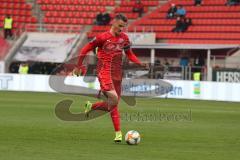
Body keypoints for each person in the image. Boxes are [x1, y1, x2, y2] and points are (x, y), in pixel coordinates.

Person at [73, 14, 147, 143]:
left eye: (123, 27)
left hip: (118, 74)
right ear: (113, 23)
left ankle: (92, 106)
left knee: (113, 104)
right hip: (104, 72)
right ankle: (118, 133)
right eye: (119, 26)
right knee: (113, 98)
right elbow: (85, 48)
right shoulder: (102, 38)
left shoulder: (124, 38)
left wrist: (140, 63)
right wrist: (78, 66)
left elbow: (129, 54)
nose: (121, 29)